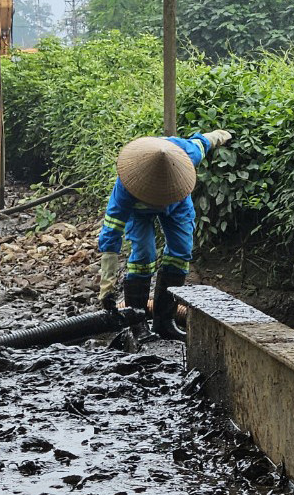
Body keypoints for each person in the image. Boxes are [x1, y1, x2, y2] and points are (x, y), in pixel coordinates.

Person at [97, 129, 233, 340]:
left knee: (181, 253)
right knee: (143, 254)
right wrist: (106, 287)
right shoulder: (126, 187)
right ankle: (138, 322)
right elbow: (111, 233)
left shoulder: (185, 153)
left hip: (177, 206)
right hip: (139, 213)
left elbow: (203, 142)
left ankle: (164, 321)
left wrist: (219, 135)